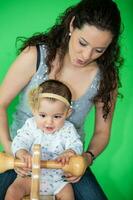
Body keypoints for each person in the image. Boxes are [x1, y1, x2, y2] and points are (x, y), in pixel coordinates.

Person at [0, 0, 123, 199]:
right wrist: (12, 151)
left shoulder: (106, 78)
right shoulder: (36, 56)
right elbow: (0, 104)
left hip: (67, 163)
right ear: (72, 25)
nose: (86, 55)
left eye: (99, 50)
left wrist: (85, 158)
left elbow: (102, 131)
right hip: (24, 158)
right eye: (83, 43)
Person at [5, 79, 83, 200]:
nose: (49, 122)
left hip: (58, 180)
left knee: (68, 194)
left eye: (57, 116)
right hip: (29, 176)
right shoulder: (31, 125)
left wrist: (70, 152)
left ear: (67, 113)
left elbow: (76, 143)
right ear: (34, 110)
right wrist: (22, 152)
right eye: (42, 115)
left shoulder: (68, 129)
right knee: (13, 191)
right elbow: (20, 140)